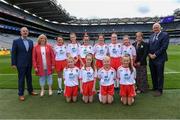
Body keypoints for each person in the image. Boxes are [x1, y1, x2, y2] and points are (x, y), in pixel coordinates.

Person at [11, 27, 37, 101]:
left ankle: (30, 91)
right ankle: (21, 94)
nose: (25, 32)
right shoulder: (16, 41)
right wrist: (13, 63)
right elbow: (13, 53)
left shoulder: (30, 41)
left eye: (26, 31)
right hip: (20, 64)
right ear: (21, 32)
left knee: (29, 78)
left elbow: (32, 53)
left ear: (28, 32)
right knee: (21, 79)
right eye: (23, 31)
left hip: (29, 63)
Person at [148, 23, 169, 97]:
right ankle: (155, 87)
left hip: (160, 58)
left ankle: (159, 90)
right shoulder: (151, 36)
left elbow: (164, 47)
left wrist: (155, 55)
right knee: (153, 74)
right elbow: (149, 46)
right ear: (152, 29)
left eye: (157, 27)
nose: (155, 29)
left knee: (160, 74)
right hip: (151, 58)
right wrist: (149, 54)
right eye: (154, 28)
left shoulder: (165, 35)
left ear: (160, 28)